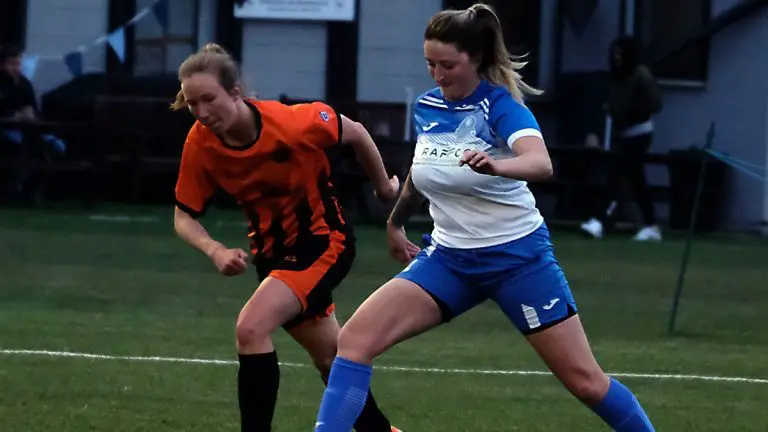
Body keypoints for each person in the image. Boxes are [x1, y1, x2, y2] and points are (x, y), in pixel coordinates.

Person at [314, 4, 655, 432]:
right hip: (450, 260)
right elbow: (422, 176)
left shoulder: (499, 107)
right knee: (354, 342)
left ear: (475, 59)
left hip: (517, 260)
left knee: (586, 383)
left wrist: (498, 165)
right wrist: (396, 222)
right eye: (430, 64)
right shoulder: (427, 107)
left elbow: (540, 162)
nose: (438, 74)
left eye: (448, 65)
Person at [171, 43, 402, 432]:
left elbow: (357, 133)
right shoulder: (201, 142)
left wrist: (383, 189)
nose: (202, 113)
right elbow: (183, 216)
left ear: (236, 92)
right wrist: (213, 249)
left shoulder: (295, 123)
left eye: (209, 99)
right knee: (333, 360)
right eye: (192, 104)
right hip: (272, 258)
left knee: (251, 327)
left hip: (323, 242)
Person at [580, 35, 663, 241]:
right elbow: (607, 105)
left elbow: (655, 104)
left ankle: (599, 221)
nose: (615, 57)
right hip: (623, 135)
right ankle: (652, 225)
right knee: (637, 180)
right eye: (614, 52)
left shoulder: (640, 75)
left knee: (617, 177)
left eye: (619, 52)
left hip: (640, 133)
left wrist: (629, 113)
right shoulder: (614, 77)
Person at [0, 43, 66, 203]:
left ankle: (32, 190)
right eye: (11, 63)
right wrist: (13, 116)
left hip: (28, 129)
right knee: (21, 145)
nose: (16, 67)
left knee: (57, 146)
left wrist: (29, 116)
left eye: (18, 63)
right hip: (6, 129)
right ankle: (12, 190)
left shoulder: (23, 83)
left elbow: (31, 108)